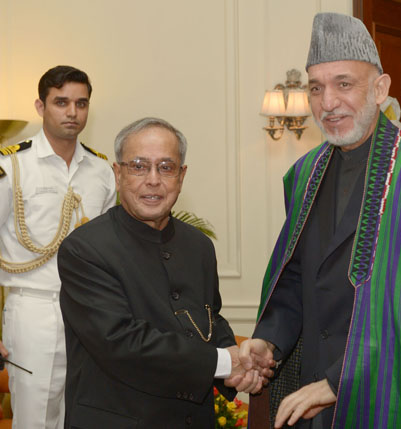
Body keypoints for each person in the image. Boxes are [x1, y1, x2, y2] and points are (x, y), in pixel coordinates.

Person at [240, 12, 401, 429]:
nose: (328, 102)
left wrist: (339, 381)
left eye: (344, 84)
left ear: (380, 88)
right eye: (316, 87)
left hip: (392, 398)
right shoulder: (304, 174)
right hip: (310, 396)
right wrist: (269, 341)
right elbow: (297, 277)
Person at [57, 117, 268, 427]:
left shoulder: (198, 245)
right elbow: (121, 342)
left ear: (181, 177)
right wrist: (225, 362)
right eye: (139, 166)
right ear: (118, 174)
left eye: (166, 167)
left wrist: (241, 354)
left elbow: (207, 318)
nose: (153, 180)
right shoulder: (85, 249)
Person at [0, 65, 116, 428]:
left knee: (85, 413)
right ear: (41, 106)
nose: (72, 112)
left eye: (81, 104)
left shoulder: (101, 171)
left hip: (90, 314)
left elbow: (112, 251)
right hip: (33, 307)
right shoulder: (11, 165)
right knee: (35, 417)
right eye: (61, 102)